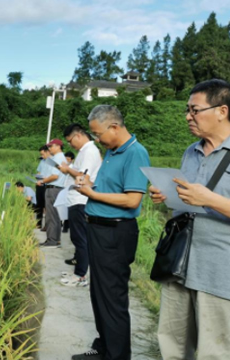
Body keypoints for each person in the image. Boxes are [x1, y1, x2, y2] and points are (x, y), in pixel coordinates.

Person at [149, 79, 230, 360]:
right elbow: (190, 201)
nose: (188, 116)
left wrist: (208, 198)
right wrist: (167, 195)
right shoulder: (191, 152)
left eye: (194, 110)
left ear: (221, 111)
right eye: (187, 110)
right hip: (178, 265)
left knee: (215, 354)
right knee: (172, 347)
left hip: (221, 274)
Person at [73, 105, 150, 360]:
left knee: (113, 297)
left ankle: (116, 356)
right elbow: (110, 189)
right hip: (98, 228)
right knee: (99, 293)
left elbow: (131, 200)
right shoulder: (112, 151)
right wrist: (91, 186)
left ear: (114, 127)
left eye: (98, 134)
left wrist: (92, 194)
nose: (96, 140)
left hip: (115, 232)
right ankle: (104, 346)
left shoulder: (135, 153)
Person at [58, 124, 102, 287]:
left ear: (78, 136)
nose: (70, 145)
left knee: (80, 238)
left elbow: (84, 175)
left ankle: (80, 275)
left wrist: (68, 170)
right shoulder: (83, 152)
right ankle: (78, 270)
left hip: (80, 199)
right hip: (75, 199)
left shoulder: (90, 151)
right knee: (77, 238)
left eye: (70, 141)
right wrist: (68, 169)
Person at [37, 138, 67, 248]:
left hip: (53, 188)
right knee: (55, 215)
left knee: (51, 215)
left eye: (51, 146)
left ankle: (52, 240)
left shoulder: (58, 158)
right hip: (55, 188)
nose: (49, 148)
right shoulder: (57, 158)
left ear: (58, 146)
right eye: (49, 147)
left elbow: (55, 176)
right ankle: (55, 239)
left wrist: (43, 181)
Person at [35, 145, 49, 229]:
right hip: (40, 184)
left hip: (47, 185)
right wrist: (37, 177)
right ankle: (38, 223)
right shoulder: (42, 161)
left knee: (47, 206)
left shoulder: (52, 162)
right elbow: (39, 172)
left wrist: (44, 180)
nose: (42, 156)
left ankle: (47, 225)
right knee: (39, 205)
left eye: (43, 154)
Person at [62, 151, 76, 233]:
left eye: (68, 159)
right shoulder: (64, 168)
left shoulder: (73, 168)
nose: (66, 160)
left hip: (70, 190)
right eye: (65, 158)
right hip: (64, 189)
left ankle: (66, 226)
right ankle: (65, 226)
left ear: (72, 160)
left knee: (69, 208)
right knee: (64, 208)